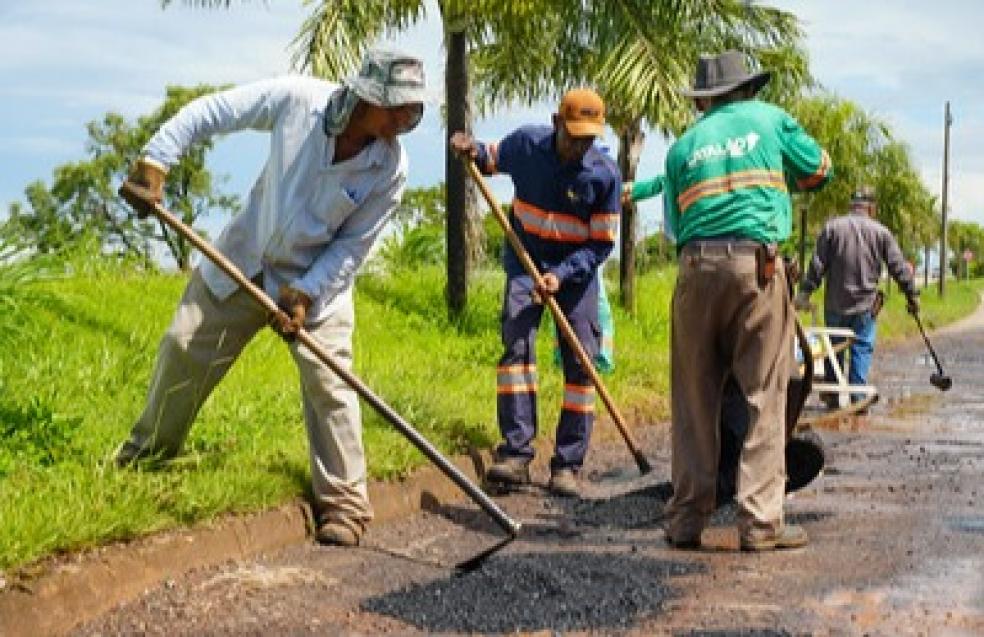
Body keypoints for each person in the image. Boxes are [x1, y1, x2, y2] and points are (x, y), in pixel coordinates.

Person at [114, 49, 428, 548]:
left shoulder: (389, 167)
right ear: (367, 96)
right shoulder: (298, 101)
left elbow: (352, 246)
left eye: (411, 109)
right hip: (244, 258)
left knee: (331, 382)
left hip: (315, 281)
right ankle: (144, 458)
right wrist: (156, 160)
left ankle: (345, 507)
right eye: (396, 107)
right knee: (182, 347)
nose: (404, 120)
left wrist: (305, 293)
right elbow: (211, 111)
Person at [661, 50, 832, 551]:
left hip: (693, 270)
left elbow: (675, 224)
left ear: (705, 99)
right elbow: (821, 169)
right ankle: (760, 523)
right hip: (756, 269)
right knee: (763, 394)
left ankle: (686, 520)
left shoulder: (681, 147)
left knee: (694, 398)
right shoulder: (771, 120)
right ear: (748, 90)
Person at [450, 88, 621, 498]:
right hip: (525, 261)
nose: (579, 145)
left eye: (588, 139)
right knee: (516, 351)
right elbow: (490, 159)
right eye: (572, 135)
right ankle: (515, 453)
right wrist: (469, 148)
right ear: (555, 122)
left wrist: (562, 275)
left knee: (581, 362)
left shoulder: (605, 174)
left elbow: (600, 244)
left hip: (575, 276)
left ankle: (567, 465)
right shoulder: (527, 144)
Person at [795, 186, 919, 407]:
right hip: (865, 306)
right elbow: (898, 267)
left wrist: (805, 293)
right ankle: (857, 396)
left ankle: (833, 395)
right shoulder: (881, 232)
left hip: (835, 303)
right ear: (871, 208)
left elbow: (817, 265)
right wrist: (911, 295)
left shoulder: (832, 228)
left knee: (834, 347)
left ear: (852, 206)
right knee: (861, 347)